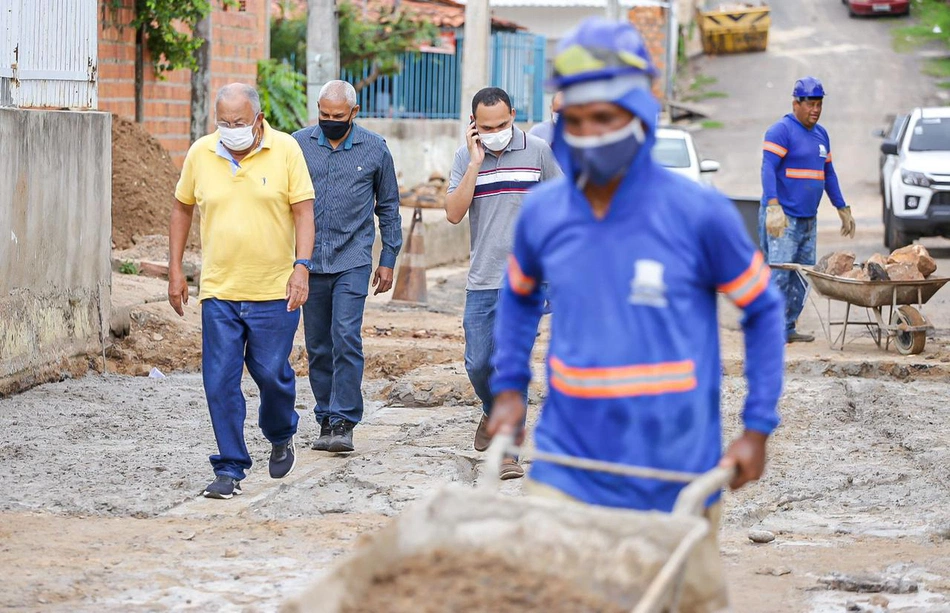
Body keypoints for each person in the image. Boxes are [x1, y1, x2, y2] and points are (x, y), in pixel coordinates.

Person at [485, 18, 785, 609]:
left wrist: (757, 427)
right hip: (568, 465)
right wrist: (510, 388)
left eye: (606, 118)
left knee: (680, 600)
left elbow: (763, 308)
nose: (591, 134)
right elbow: (519, 295)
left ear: (640, 113)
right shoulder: (545, 214)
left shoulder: (697, 214)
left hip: (675, 474)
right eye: (577, 121)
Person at [169, 83, 316, 500]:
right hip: (219, 290)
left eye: (239, 122)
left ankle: (281, 431)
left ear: (258, 118)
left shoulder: (286, 150)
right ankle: (230, 468)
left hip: (274, 289)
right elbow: (182, 208)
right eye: (224, 122)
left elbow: (304, 212)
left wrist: (301, 268)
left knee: (271, 372)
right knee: (219, 380)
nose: (231, 129)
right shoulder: (202, 152)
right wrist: (176, 270)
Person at [444, 86, 561, 480]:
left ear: (514, 114)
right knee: (478, 363)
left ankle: (509, 451)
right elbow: (454, 214)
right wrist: (476, 163)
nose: (496, 131)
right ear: (474, 124)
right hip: (482, 279)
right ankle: (490, 411)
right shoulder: (465, 157)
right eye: (487, 126)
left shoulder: (539, 151)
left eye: (503, 124)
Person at [293, 80, 402, 454]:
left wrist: (388, 258)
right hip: (310, 260)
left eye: (337, 116)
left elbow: (388, 208)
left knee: (345, 336)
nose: (330, 121)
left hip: (352, 258)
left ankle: (343, 420)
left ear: (354, 113)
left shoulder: (375, 150)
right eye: (324, 115)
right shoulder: (298, 146)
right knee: (318, 344)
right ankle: (325, 414)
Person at [760, 76, 855, 343]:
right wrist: (773, 205)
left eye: (819, 104)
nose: (815, 109)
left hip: (808, 219)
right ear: (796, 104)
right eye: (811, 104)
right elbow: (767, 168)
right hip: (784, 218)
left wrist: (842, 207)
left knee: (802, 276)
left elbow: (829, 173)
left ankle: (787, 327)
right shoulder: (781, 130)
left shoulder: (821, 134)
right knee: (779, 275)